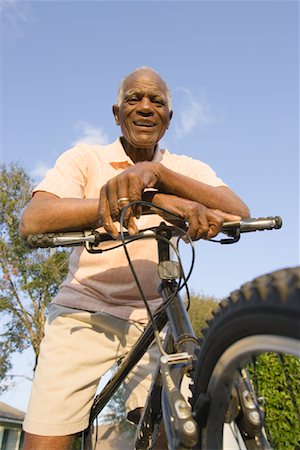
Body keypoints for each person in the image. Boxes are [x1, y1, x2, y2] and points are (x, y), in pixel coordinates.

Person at [19, 66, 250, 450]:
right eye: (134, 98)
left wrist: (156, 174)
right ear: (116, 113)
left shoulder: (184, 168)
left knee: (182, 423)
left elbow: (238, 211)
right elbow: (34, 219)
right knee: (45, 438)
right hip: (84, 310)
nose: (145, 106)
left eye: (156, 101)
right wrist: (151, 200)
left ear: (169, 118)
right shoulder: (85, 157)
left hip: (157, 315)